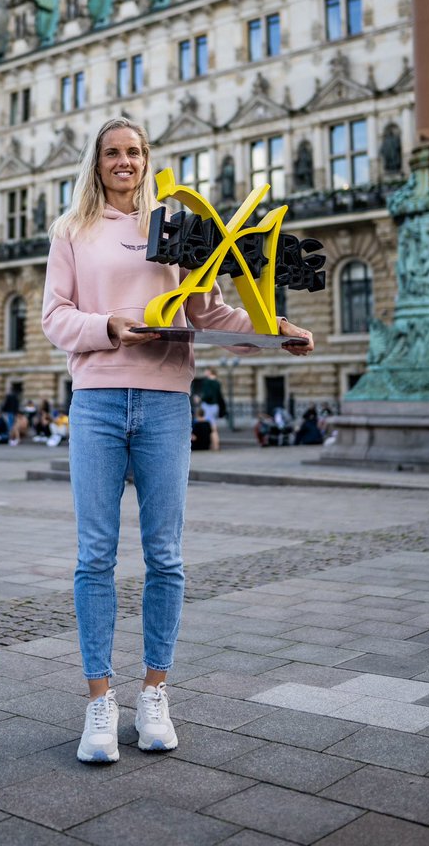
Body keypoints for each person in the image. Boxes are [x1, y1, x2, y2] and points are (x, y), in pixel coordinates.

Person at [42, 116, 313, 765]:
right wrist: (108, 325)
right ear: (97, 161)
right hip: (99, 400)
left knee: (166, 556)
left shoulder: (180, 226)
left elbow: (209, 312)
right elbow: (54, 316)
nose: (125, 162)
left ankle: (155, 694)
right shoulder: (72, 230)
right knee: (94, 557)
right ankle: (100, 704)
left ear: (147, 157)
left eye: (134, 152)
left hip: (166, 402)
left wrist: (276, 328)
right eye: (113, 153)